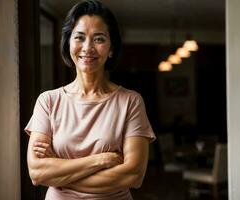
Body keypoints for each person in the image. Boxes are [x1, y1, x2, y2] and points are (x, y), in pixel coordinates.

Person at [25, 0, 156, 199]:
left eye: (99, 39)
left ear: (111, 48)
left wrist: (59, 171)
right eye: (79, 37)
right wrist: (100, 161)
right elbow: (37, 173)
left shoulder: (130, 101)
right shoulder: (48, 101)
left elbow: (133, 175)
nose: (88, 47)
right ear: (69, 43)